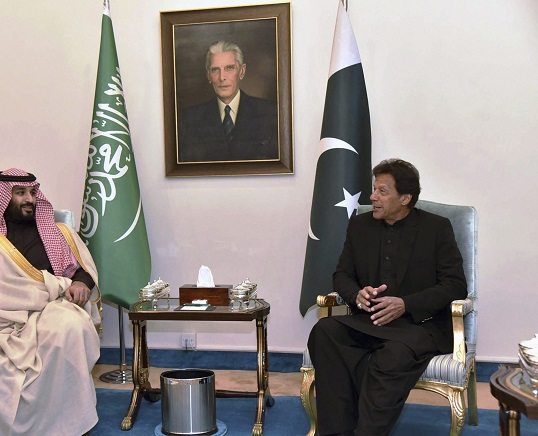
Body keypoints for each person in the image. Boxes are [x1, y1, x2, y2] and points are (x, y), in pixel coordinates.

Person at [0, 168, 102, 436]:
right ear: (2, 198)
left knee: (71, 326)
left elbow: (82, 268)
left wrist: (81, 283)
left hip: (47, 310)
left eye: (33, 192)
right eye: (20, 193)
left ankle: (63, 425)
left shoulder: (58, 233)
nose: (29, 199)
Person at [307, 159, 467, 436]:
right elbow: (342, 274)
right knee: (325, 331)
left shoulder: (437, 228)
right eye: (373, 189)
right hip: (368, 320)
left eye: (382, 191)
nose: (372, 197)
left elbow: (455, 285)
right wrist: (356, 294)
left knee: (391, 356)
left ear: (405, 198)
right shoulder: (359, 226)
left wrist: (406, 303)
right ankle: (335, 431)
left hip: (419, 326)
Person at [177, 40, 279, 162]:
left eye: (229, 68)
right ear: (208, 76)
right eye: (215, 70)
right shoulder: (189, 118)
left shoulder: (270, 113)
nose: (222, 77)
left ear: (242, 71)